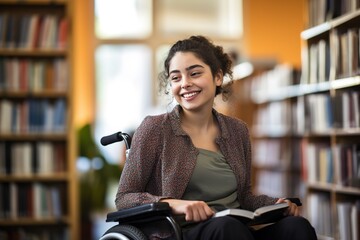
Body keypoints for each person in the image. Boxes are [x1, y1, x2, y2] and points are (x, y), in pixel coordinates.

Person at [115, 35, 317, 240]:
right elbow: (124, 197)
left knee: (297, 227)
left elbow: (244, 198)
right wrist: (174, 204)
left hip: (236, 230)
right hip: (182, 233)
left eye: (194, 73)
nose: (185, 83)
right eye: (176, 78)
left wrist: (276, 204)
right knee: (227, 228)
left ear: (218, 77)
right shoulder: (155, 128)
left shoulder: (237, 130)